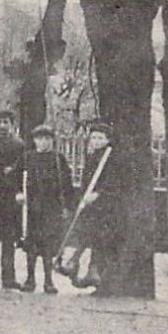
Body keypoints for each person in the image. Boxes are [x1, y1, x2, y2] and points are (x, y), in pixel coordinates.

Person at [64, 119, 123, 292]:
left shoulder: (111, 158)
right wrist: (82, 197)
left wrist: (97, 195)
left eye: (100, 138)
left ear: (107, 140)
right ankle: (75, 263)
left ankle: (92, 269)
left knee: (99, 237)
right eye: (94, 138)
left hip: (105, 206)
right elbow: (85, 181)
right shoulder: (91, 156)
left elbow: (114, 183)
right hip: (88, 204)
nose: (96, 141)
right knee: (84, 233)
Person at [17, 124, 74, 294]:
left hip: (52, 207)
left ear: (52, 141)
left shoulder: (58, 159)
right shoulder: (27, 158)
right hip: (32, 207)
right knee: (31, 244)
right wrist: (18, 193)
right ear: (34, 140)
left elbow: (67, 185)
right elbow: (13, 178)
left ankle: (48, 281)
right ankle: (30, 279)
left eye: (47, 139)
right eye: (40, 138)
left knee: (49, 245)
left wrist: (67, 207)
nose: (43, 142)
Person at [0, 110, 25, 290]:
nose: (2, 125)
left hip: (9, 196)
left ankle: (8, 278)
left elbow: (22, 168)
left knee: (9, 239)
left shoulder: (18, 144)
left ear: (11, 124)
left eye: (5, 122)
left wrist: (14, 177)